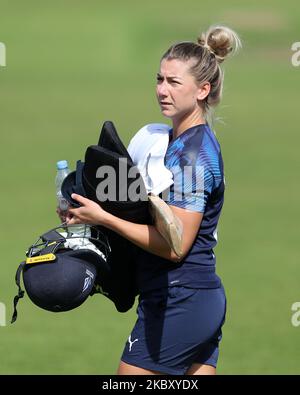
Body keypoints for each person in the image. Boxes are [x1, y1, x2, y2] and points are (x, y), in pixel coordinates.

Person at [61, 24, 241, 375]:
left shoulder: (194, 158)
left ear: (203, 89)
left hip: (180, 300)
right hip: (183, 298)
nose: (162, 90)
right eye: (159, 79)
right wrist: (86, 212)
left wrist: (103, 218)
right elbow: (134, 208)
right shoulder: (167, 140)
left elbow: (175, 246)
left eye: (174, 82)